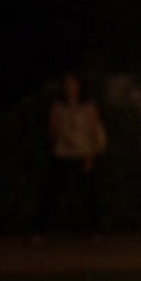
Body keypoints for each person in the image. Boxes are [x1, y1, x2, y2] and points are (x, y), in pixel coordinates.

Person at [44, 70, 106, 233]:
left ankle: (92, 229)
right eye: (67, 84)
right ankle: (44, 228)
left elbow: (94, 130)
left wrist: (91, 154)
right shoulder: (58, 106)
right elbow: (52, 130)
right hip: (62, 152)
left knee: (88, 193)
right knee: (54, 190)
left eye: (73, 84)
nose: (70, 87)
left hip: (83, 152)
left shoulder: (88, 106)